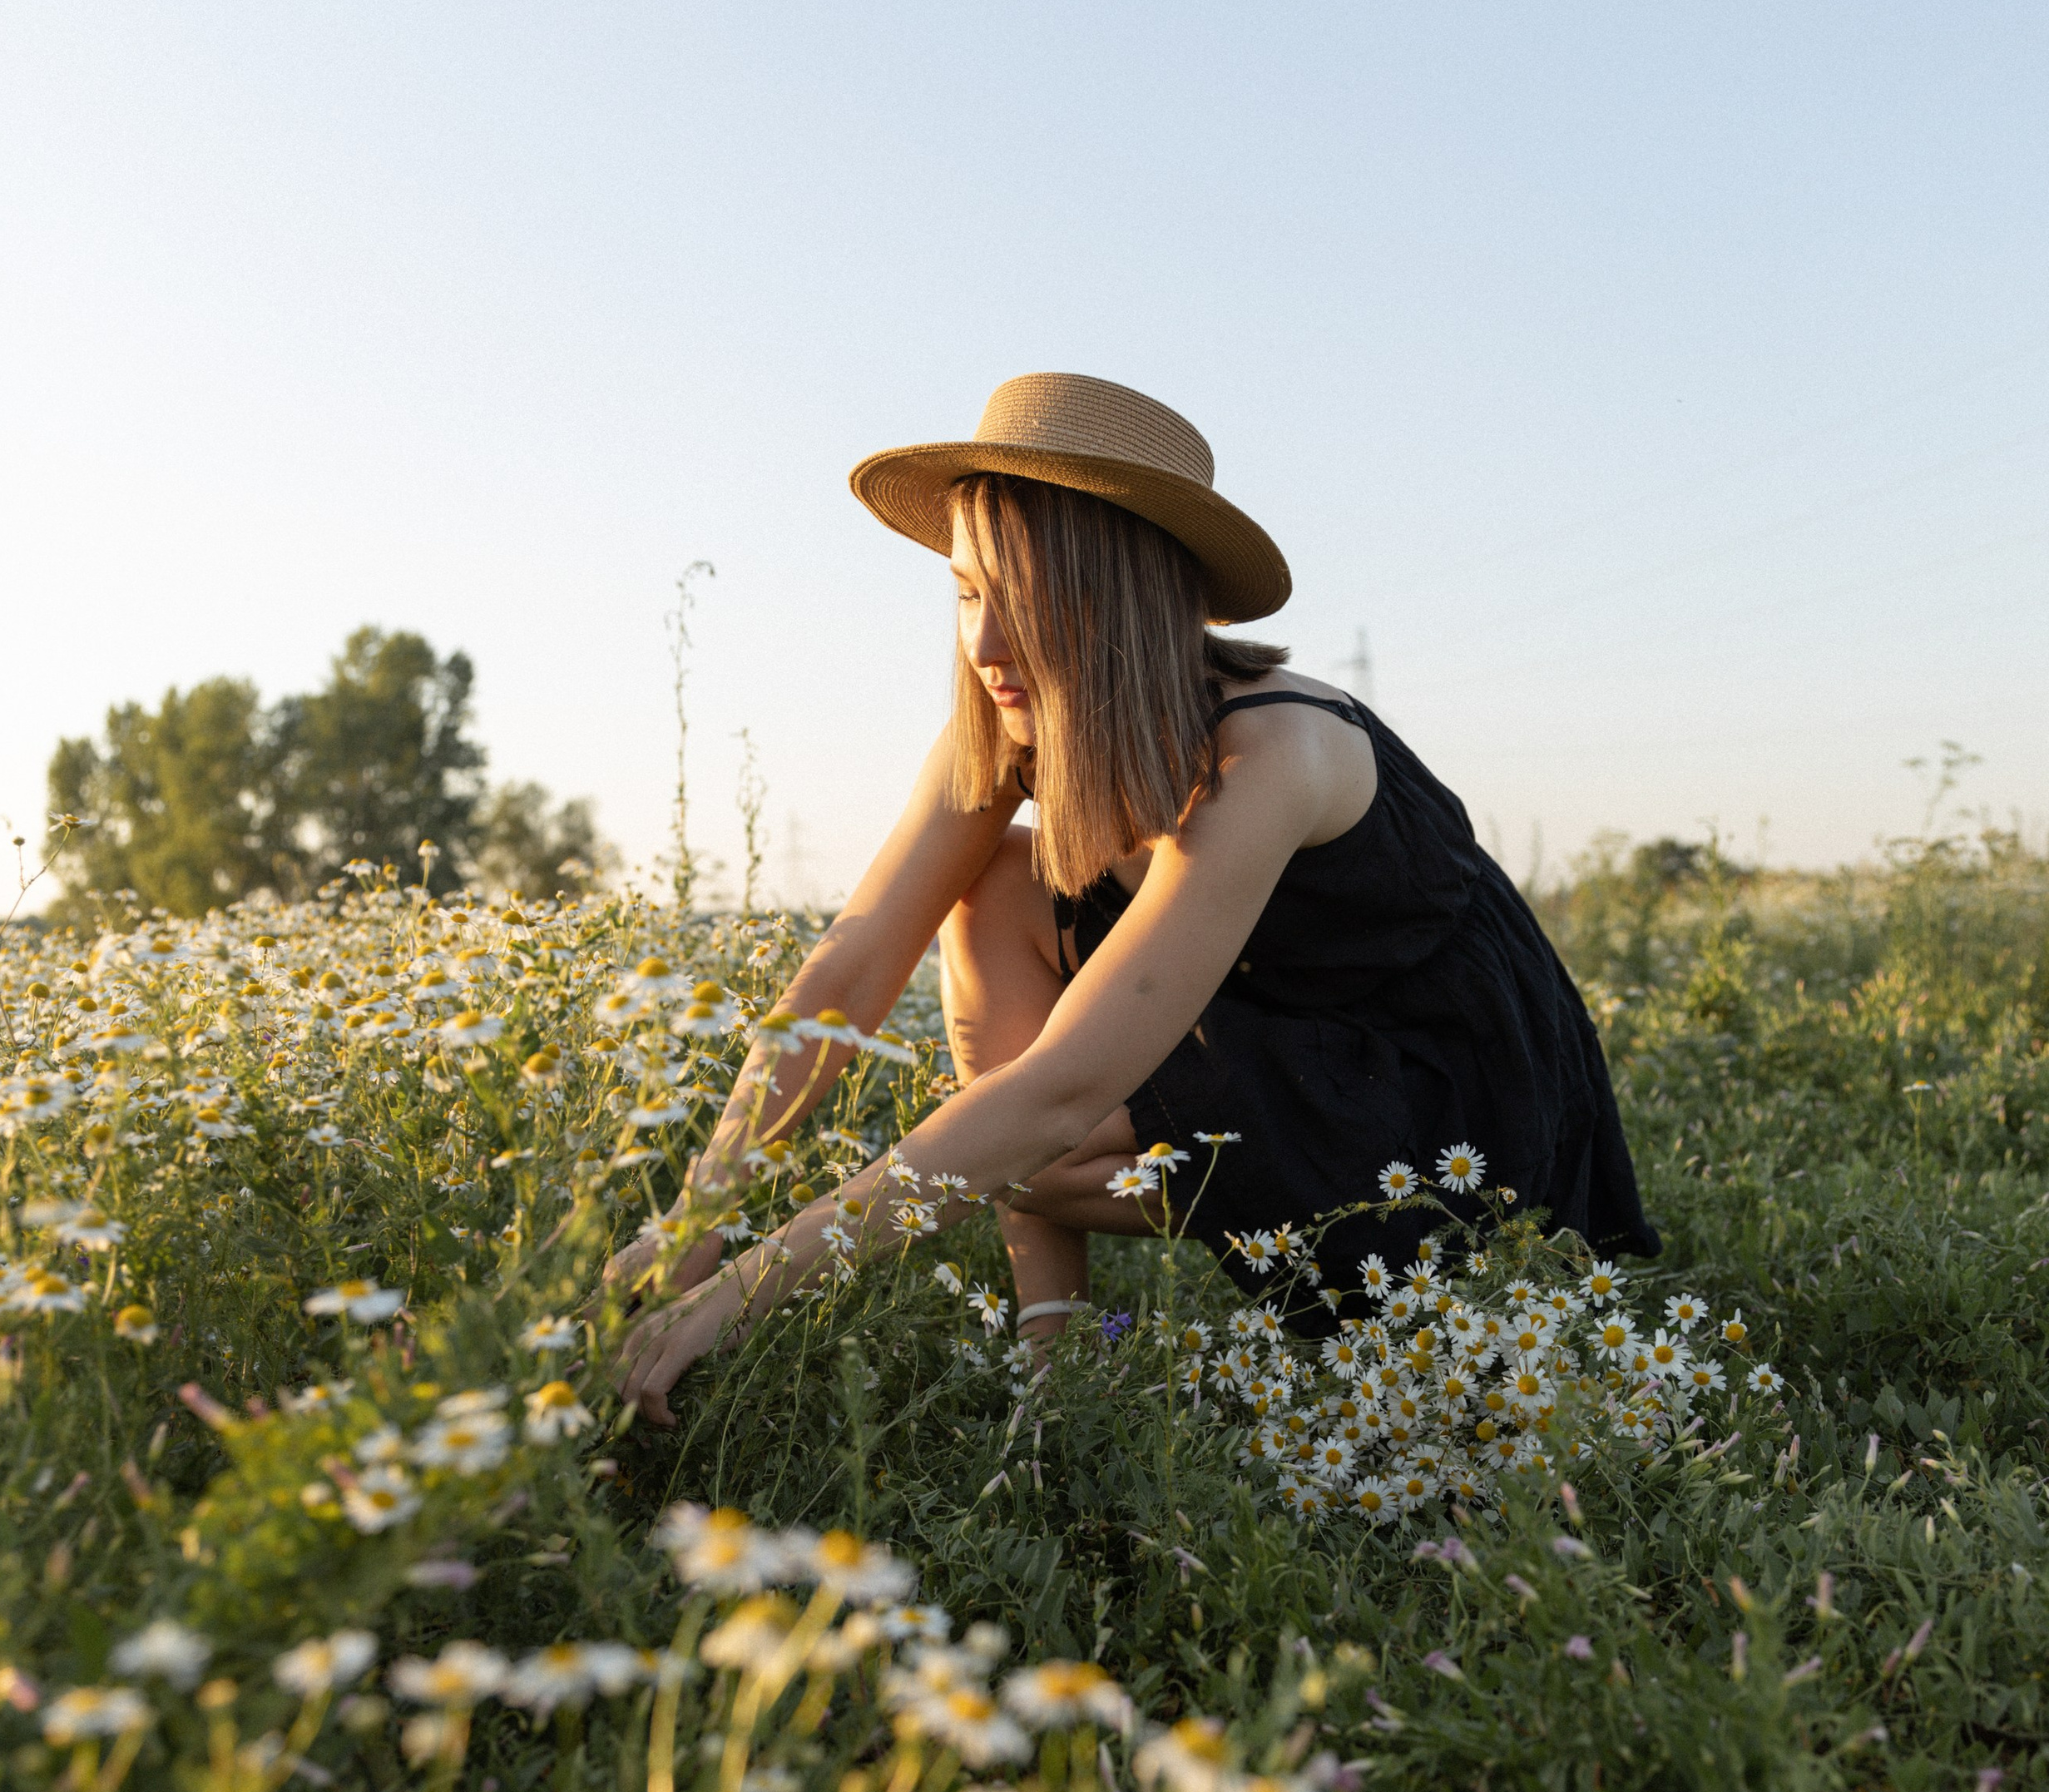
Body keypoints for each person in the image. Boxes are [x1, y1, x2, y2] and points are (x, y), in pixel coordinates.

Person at [608, 369, 1657, 1428]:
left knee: (1015, 1147)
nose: (982, 646)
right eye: (969, 593)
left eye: (1023, 595)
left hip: (1438, 1094)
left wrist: (734, 1295)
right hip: (1271, 1038)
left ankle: (1335, 1288)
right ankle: (1050, 1359)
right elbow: (851, 965)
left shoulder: (1275, 751)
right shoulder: (1014, 726)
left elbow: (1058, 1092)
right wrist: (701, 1215)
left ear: (1128, 596)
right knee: (996, 898)